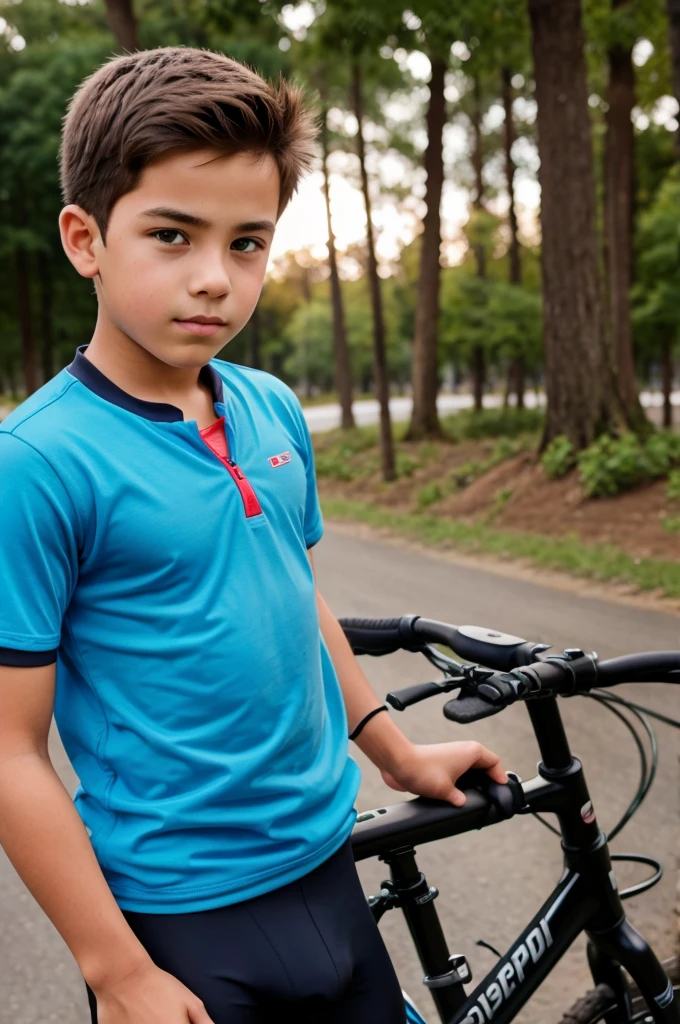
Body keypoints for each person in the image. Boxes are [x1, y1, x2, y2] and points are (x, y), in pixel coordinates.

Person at [0, 46, 506, 1024]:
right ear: (84, 237)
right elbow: (10, 751)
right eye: (172, 235)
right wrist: (118, 971)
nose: (214, 280)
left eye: (246, 243)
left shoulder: (268, 407)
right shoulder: (37, 463)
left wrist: (395, 755)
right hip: (178, 923)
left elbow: (292, 592)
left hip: (326, 866)